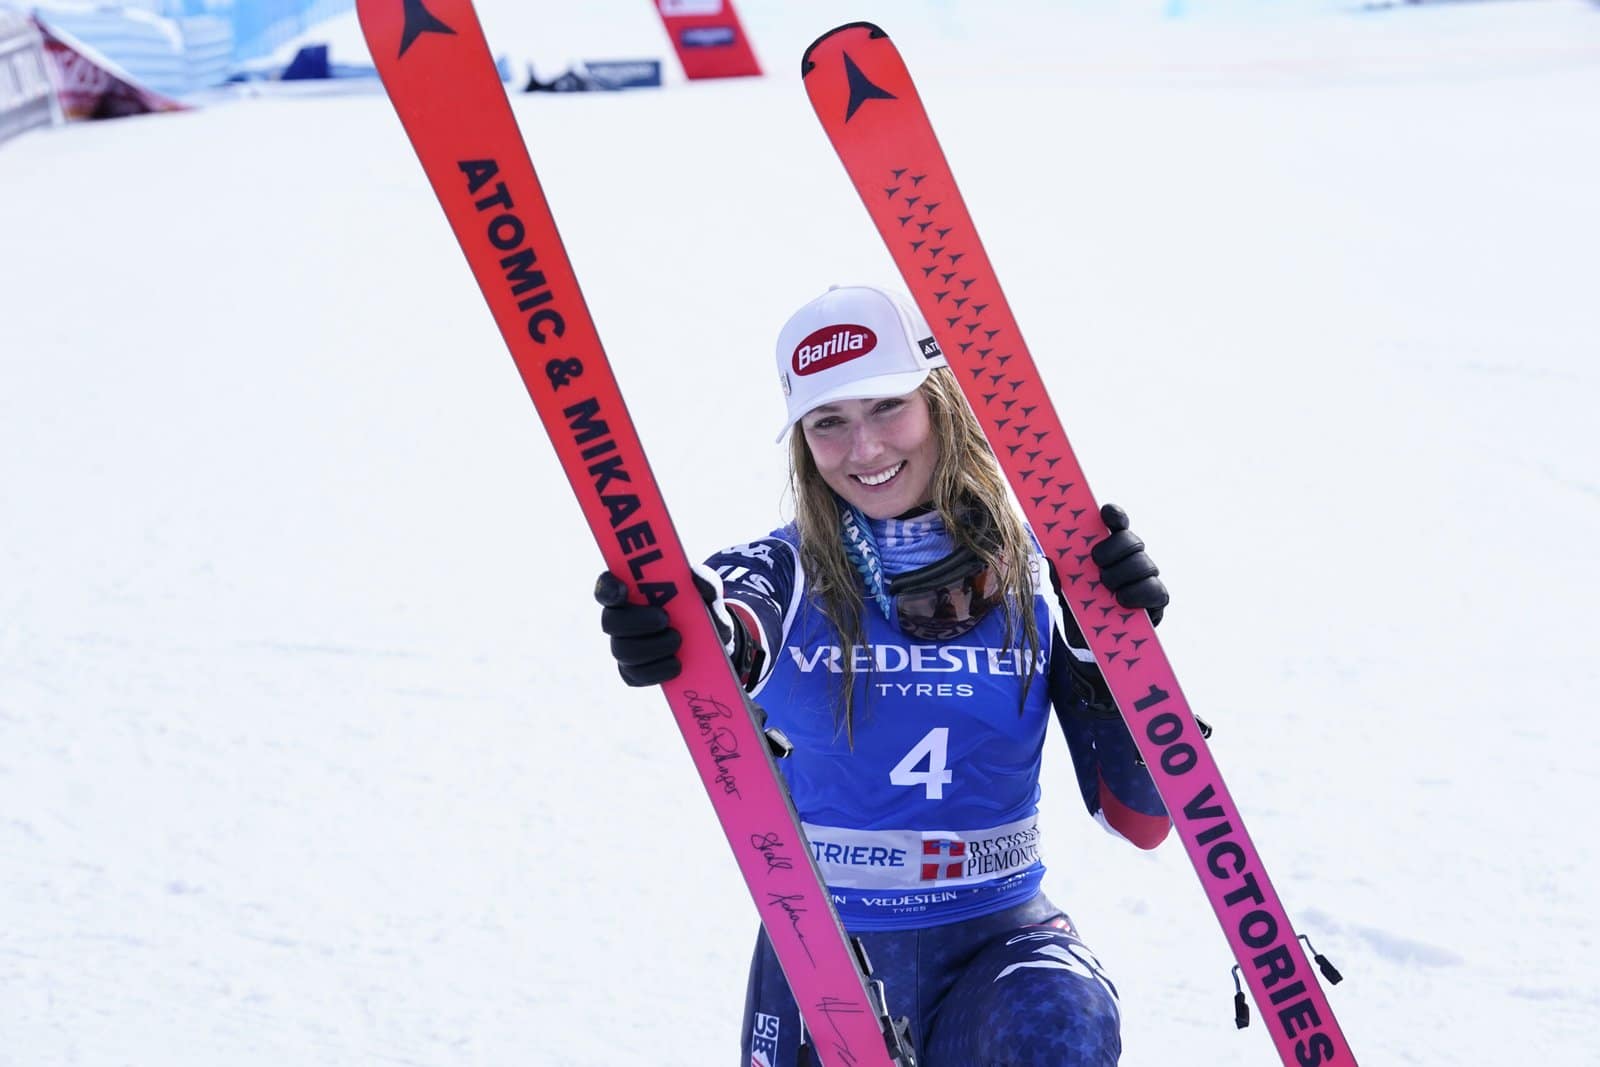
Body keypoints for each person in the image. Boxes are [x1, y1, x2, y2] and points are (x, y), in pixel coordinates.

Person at [594, 285, 1172, 1066]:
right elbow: (733, 611)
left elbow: (1137, 819)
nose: (863, 449)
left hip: (998, 952)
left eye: (887, 407)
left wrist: (1114, 654)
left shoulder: (1044, 570)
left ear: (939, 402)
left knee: (1059, 1019)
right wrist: (689, 629)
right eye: (829, 422)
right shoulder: (788, 568)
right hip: (825, 963)